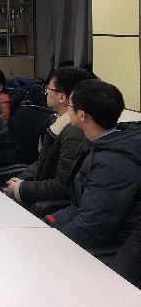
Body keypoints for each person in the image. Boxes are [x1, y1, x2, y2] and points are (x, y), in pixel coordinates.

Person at [45, 79, 141, 250]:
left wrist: (50, 245)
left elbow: (90, 229)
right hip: (87, 226)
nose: (67, 108)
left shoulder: (113, 163)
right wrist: (46, 225)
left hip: (115, 247)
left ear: (82, 115)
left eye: (69, 104)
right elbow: (80, 207)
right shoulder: (101, 141)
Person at [2, 66, 93, 205]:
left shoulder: (74, 131)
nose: (46, 93)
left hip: (47, 202)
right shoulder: (58, 122)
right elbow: (42, 163)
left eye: (49, 89)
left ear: (62, 97)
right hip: (39, 190)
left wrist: (21, 189)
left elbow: (62, 186)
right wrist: (19, 180)